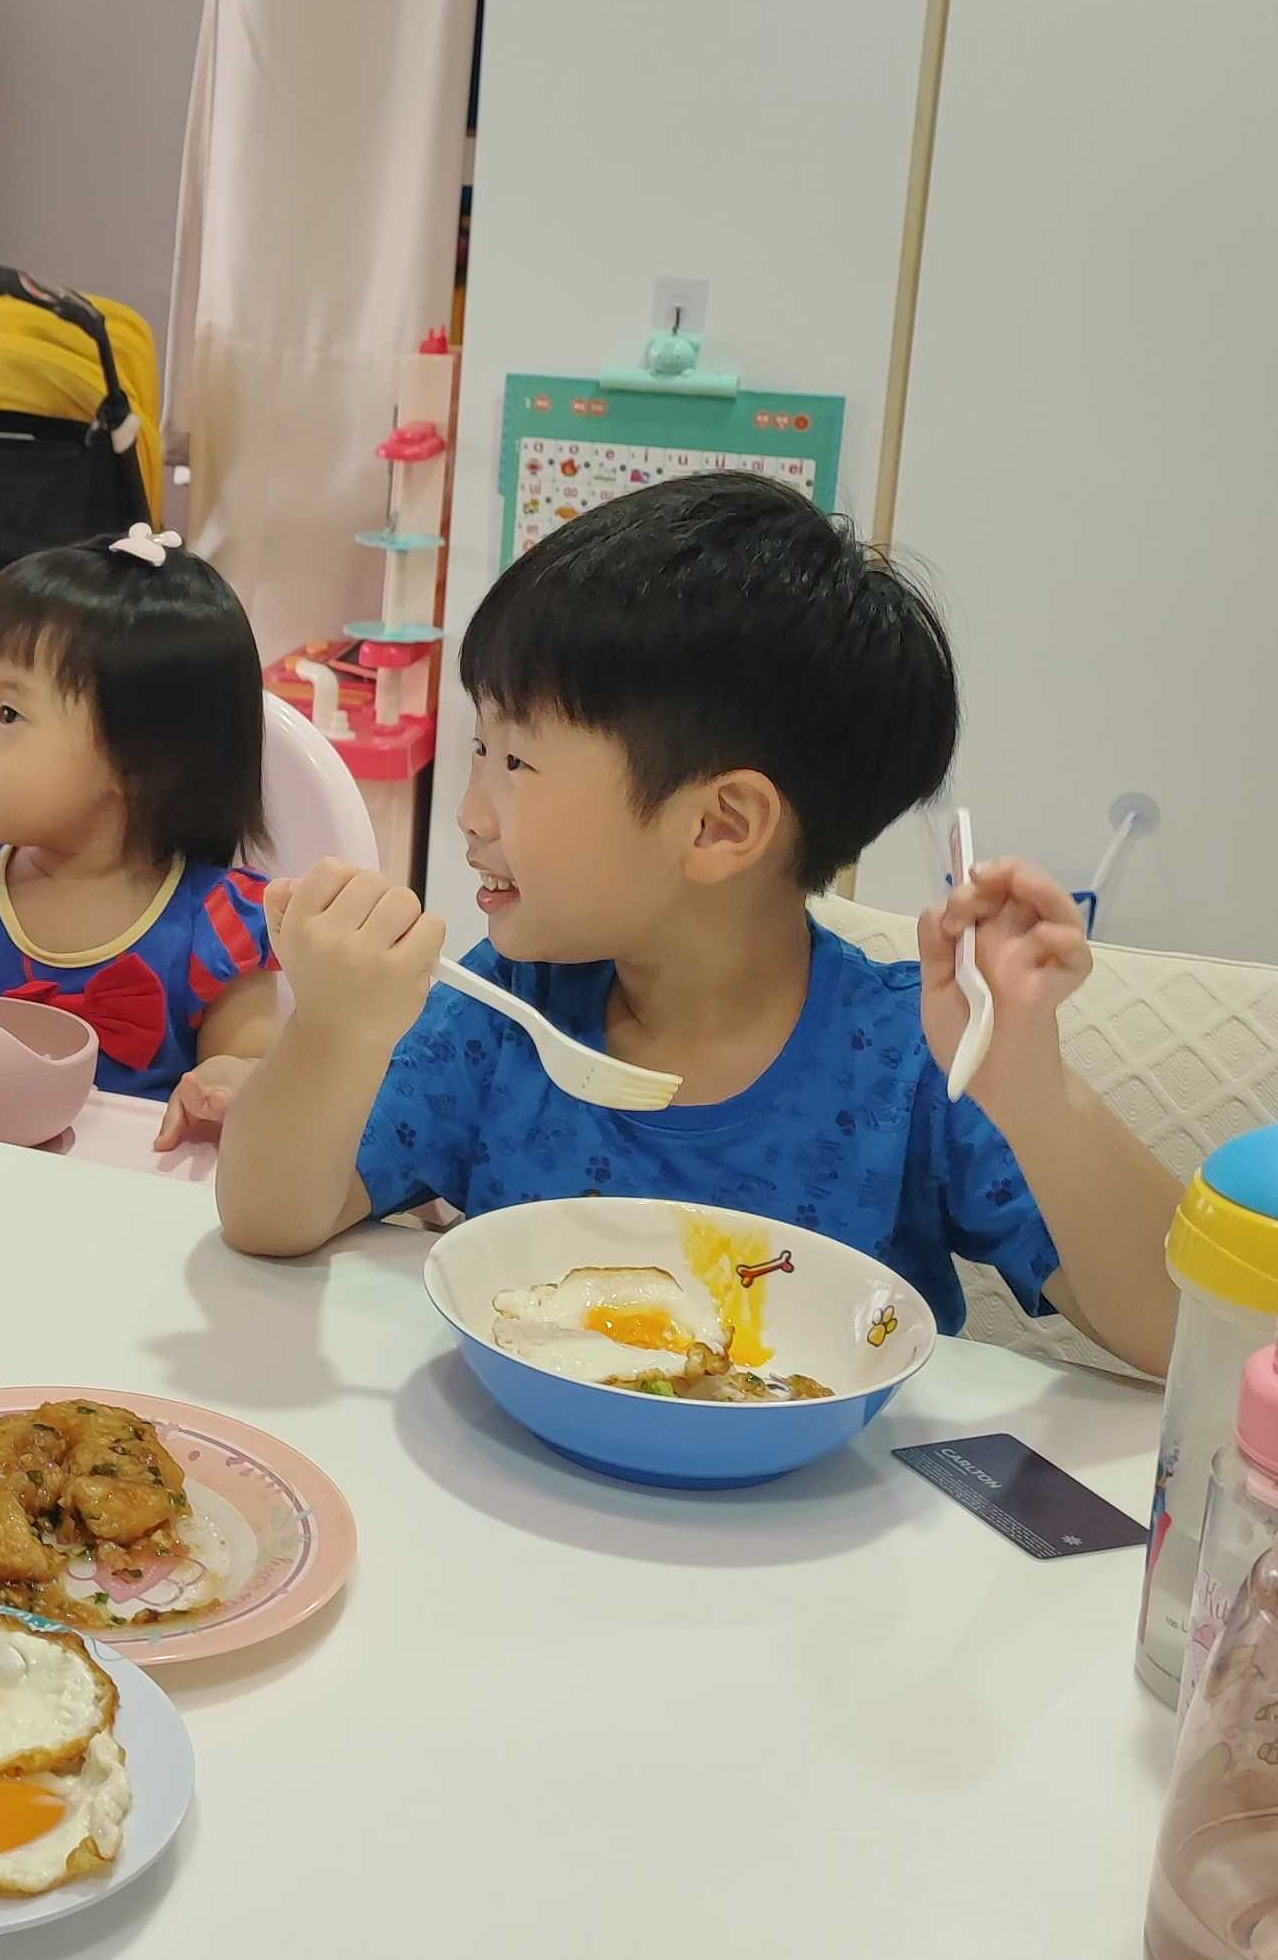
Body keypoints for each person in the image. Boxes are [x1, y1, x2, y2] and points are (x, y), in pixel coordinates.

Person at [212, 473, 1180, 1373]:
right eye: (481, 744)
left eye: (516, 762)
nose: (469, 812)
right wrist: (333, 1030)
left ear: (720, 825)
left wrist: (1033, 1091)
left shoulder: (910, 1056)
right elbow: (266, 1217)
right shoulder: (509, 1014)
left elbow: (1175, 1331)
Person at [0, 527, 282, 1145]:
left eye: (8, 715)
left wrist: (234, 1080)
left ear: (138, 759)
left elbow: (256, 1075)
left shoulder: (225, 925)